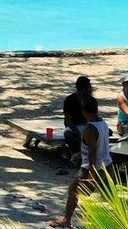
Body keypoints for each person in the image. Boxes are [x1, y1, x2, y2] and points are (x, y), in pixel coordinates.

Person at [53, 96, 113, 227]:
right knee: (109, 196)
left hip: (92, 168)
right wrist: (80, 154)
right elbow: (97, 145)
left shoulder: (89, 129)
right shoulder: (103, 124)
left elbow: (93, 152)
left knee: (73, 190)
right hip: (107, 166)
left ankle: (66, 220)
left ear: (84, 112)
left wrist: (91, 174)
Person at [62, 76, 93, 156]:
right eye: (89, 87)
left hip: (86, 125)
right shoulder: (70, 100)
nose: (91, 90)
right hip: (74, 126)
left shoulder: (90, 100)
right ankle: (76, 152)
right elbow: (69, 121)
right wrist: (79, 135)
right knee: (68, 134)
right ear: (84, 89)